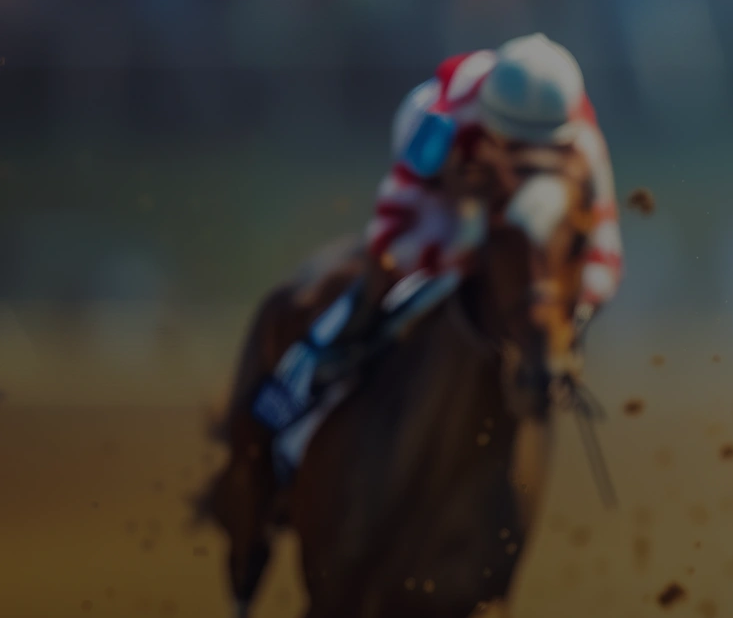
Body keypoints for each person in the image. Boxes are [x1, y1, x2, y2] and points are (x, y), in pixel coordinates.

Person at [254, 34, 620, 430]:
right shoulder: (441, 122)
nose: (526, 160)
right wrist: (459, 238)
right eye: (515, 143)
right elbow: (391, 233)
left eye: (540, 149)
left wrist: (570, 318)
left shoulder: (584, 145)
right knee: (395, 269)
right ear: (489, 122)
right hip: (445, 183)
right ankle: (340, 342)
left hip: (493, 175)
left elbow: (605, 252)